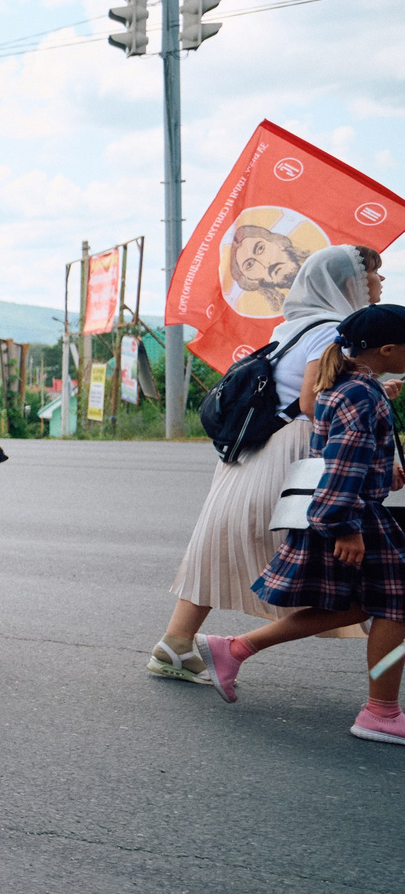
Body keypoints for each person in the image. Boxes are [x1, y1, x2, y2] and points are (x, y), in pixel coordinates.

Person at [147, 245, 383, 684]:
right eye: (372, 276)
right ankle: (380, 667)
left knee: (218, 546)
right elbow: (315, 401)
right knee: (345, 564)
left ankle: (176, 643)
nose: (379, 284)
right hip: (293, 452)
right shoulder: (331, 330)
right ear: (346, 282)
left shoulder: (289, 326)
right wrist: (377, 393)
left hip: (253, 451)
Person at [197, 305, 405, 743]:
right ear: (388, 350)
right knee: (396, 606)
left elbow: (341, 451)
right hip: (353, 517)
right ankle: (381, 713)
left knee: (360, 605)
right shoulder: (360, 394)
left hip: (350, 509)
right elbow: (341, 463)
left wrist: (387, 473)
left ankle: (233, 649)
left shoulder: (344, 385)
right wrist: (343, 526)